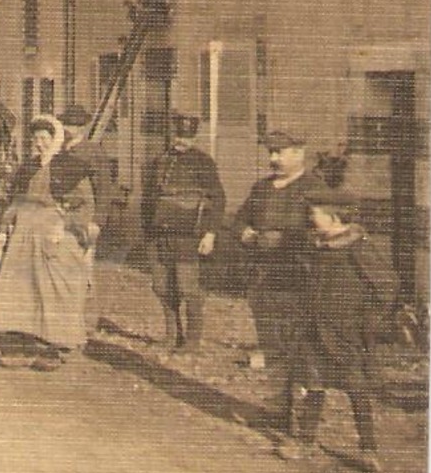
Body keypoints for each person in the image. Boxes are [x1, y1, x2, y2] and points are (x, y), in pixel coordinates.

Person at [277, 186, 398, 473]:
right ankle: (305, 441)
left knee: (356, 388)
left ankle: (368, 449)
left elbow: (388, 285)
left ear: (334, 217)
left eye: (315, 212)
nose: (310, 216)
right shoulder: (315, 244)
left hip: (345, 332)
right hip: (313, 327)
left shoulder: (358, 246)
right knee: (313, 383)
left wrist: (367, 319)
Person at [0, 115, 97, 370]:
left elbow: (86, 205)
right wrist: (4, 229)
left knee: (53, 286)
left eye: (45, 139)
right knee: (18, 286)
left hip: (54, 231)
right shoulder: (28, 167)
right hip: (24, 230)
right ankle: (18, 342)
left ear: (55, 139)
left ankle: (53, 346)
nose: (40, 144)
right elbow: (15, 202)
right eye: (36, 139)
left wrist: (66, 225)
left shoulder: (72, 168)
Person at [234, 131, 327, 370]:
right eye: (270, 152)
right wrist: (244, 232)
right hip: (261, 267)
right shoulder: (262, 188)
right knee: (264, 314)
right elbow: (241, 219)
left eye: (279, 152)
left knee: (294, 321)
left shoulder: (314, 188)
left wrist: (288, 239)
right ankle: (272, 355)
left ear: (299, 153)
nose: (273, 158)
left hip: (296, 269)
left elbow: (325, 229)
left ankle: (296, 368)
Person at [140, 113, 226, 353]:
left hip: (188, 236)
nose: (182, 141)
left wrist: (210, 233)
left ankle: (192, 340)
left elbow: (218, 199)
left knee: (188, 288)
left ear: (194, 136)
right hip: (159, 235)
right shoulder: (159, 161)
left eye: (187, 136)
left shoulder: (203, 162)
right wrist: (147, 234)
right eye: (178, 135)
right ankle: (172, 334)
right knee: (162, 286)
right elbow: (148, 200)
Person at [60, 104, 115, 329]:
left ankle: (85, 321)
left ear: (83, 127)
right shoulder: (60, 150)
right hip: (62, 216)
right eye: (67, 124)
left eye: (75, 125)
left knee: (83, 268)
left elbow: (104, 189)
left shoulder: (93, 152)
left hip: (84, 216)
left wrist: (97, 222)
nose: (70, 129)